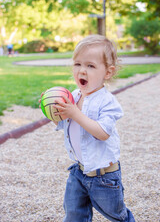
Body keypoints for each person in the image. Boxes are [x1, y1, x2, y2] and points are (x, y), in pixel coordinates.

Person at [40, 34, 135, 222]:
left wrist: (75, 112)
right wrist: (51, 110)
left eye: (90, 66)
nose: (82, 71)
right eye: (78, 64)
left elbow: (103, 133)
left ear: (108, 72)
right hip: (78, 172)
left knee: (117, 216)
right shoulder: (73, 96)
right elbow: (62, 123)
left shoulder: (107, 102)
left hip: (104, 177)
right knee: (74, 215)